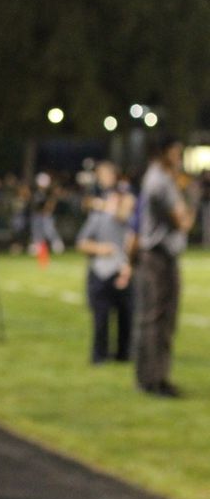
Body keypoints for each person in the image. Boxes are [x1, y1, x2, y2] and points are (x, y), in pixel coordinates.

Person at [134, 136, 198, 397]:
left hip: (156, 256)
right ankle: (155, 379)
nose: (178, 157)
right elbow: (183, 222)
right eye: (175, 152)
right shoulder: (161, 181)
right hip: (159, 258)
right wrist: (193, 198)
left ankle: (150, 378)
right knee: (159, 320)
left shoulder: (156, 177)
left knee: (153, 320)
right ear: (164, 153)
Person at [76, 189, 136, 364]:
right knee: (101, 318)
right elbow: (81, 243)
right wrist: (101, 249)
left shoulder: (132, 224)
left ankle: (124, 355)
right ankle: (99, 355)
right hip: (101, 273)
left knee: (127, 317)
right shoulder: (99, 219)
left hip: (124, 272)